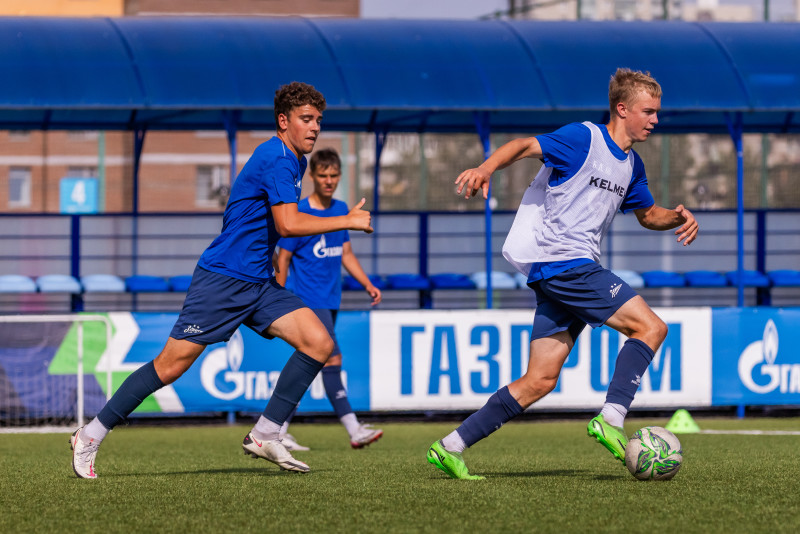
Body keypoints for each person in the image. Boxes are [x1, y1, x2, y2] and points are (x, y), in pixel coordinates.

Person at [69, 82, 374, 479]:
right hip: (224, 280)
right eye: (306, 119)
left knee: (318, 342)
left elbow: (276, 224)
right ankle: (90, 434)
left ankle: (266, 432)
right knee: (169, 366)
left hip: (257, 282)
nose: (315, 127)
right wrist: (347, 220)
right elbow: (287, 223)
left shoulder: (294, 160)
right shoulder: (279, 158)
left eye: (318, 120)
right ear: (284, 121)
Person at [426, 68, 699, 480]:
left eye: (657, 112)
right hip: (565, 262)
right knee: (651, 328)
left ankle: (450, 447)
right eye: (649, 111)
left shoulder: (632, 165)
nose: (655, 120)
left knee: (539, 380)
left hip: (561, 271)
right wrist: (486, 168)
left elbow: (647, 215)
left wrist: (676, 216)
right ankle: (611, 416)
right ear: (622, 109)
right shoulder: (583, 138)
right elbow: (524, 145)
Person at [273, 148, 383, 451]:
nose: (329, 180)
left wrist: (367, 284)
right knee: (332, 359)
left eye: (334, 175)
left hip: (331, 300)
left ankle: (276, 428)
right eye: (323, 175)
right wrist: (277, 297)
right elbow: (283, 257)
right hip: (308, 301)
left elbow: (346, 253)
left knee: (308, 364)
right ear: (313, 176)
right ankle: (354, 428)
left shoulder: (342, 209)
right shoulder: (300, 213)